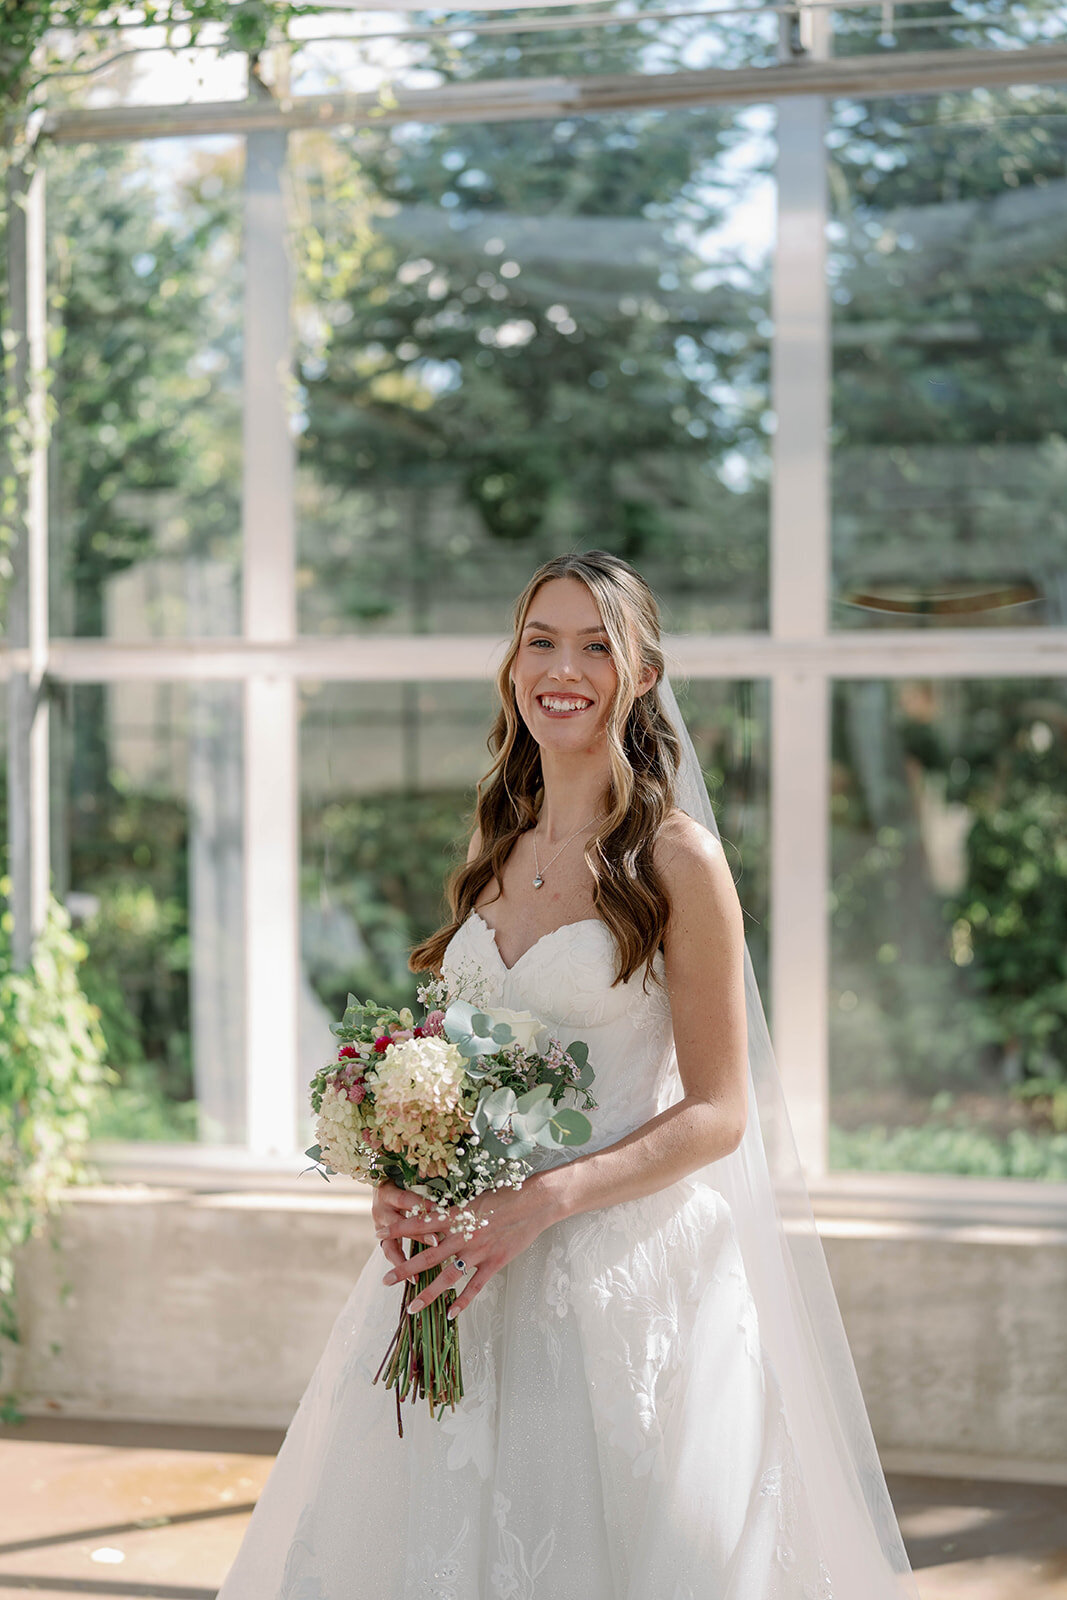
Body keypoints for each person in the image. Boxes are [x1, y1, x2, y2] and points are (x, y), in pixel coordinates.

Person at [217, 550, 921, 1599]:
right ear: (512, 667)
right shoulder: (496, 847)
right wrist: (403, 1172)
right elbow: (452, 1064)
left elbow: (722, 1111)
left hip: (613, 1274)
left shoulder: (677, 859)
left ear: (640, 675)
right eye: (541, 640)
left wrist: (543, 1201)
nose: (564, 666)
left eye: (597, 645)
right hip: (464, 1270)